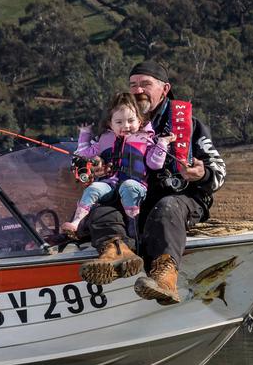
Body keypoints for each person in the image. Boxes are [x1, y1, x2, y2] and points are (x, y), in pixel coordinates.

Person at [78, 60, 226, 305]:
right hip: (130, 198)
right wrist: (96, 168)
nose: (138, 90)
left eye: (145, 84)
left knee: (166, 208)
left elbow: (219, 171)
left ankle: (165, 279)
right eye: (133, 85)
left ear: (165, 89)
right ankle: (117, 253)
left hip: (179, 201)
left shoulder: (188, 124)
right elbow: (88, 157)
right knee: (101, 209)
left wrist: (202, 174)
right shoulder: (117, 124)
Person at [61, 92, 170, 240]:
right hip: (109, 185)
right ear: (110, 124)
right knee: (93, 188)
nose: (126, 126)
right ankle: (76, 222)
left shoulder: (146, 139)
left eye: (131, 120)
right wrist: (85, 133)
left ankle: (134, 225)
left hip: (136, 185)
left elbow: (155, 164)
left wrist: (162, 143)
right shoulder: (104, 139)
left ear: (140, 121)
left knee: (129, 186)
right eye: (119, 122)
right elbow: (83, 153)